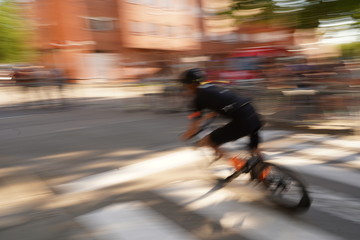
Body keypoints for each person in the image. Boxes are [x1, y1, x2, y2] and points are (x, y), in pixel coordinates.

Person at [180, 68, 263, 160]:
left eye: (186, 85)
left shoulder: (197, 98)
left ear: (191, 84)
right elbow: (224, 102)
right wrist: (207, 116)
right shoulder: (213, 87)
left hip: (243, 121)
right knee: (254, 152)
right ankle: (264, 168)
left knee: (208, 140)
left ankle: (237, 164)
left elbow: (194, 127)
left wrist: (186, 136)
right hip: (253, 115)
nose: (186, 87)